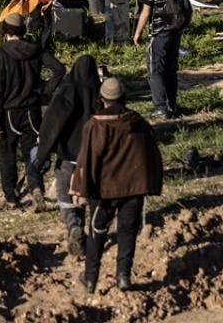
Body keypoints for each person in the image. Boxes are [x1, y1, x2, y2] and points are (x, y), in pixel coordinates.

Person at [71, 77, 164, 294]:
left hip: (105, 191)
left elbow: (87, 159)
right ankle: (123, 276)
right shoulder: (138, 122)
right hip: (134, 188)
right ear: (124, 98)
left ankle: (91, 278)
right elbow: (152, 155)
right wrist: (151, 184)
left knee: (98, 232)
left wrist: (81, 188)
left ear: (102, 100)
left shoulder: (95, 125)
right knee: (127, 231)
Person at [0, 11, 65, 209]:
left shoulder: (1, 54)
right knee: (32, 150)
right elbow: (59, 69)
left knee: (7, 153)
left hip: (9, 112)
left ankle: (11, 196)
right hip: (32, 108)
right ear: (23, 29)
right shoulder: (35, 50)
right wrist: (45, 89)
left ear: (6, 30)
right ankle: (35, 186)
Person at [33, 54, 101, 258]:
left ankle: (73, 224)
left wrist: (43, 152)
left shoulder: (67, 91)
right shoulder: (99, 94)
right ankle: (92, 231)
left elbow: (53, 122)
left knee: (65, 195)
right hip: (91, 158)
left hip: (68, 157)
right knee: (88, 195)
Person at [133, 0, 189, 118]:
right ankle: (172, 105)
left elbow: (146, 11)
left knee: (155, 69)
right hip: (175, 30)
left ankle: (160, 108)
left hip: (159, 32)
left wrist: (137, 33)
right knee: (171, 69)